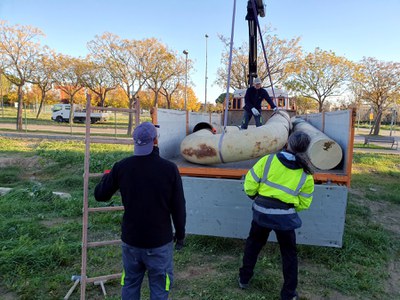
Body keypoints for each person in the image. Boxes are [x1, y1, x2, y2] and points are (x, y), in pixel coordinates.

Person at [94, 122, 186, 300]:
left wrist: (107, 177)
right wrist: (180, 234)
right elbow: (178, 207)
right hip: (159, 243)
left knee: (130, 283)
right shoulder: (169, 169)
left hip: (131, 242)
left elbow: (100, 195)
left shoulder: (122, 167)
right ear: (155, 140)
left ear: (135, 142)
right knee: (160, 288)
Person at [238, 131, 314, 300]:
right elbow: (304, 203)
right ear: (305, 149)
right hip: (285, 218)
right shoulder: (306, 173)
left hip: (261, 214)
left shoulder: (268, 160)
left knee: (253, 245)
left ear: (288, 143)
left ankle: (244, 279)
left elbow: (249, 184)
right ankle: (288, 294)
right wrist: (288, 210)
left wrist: (255, 196)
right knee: (289, 254)